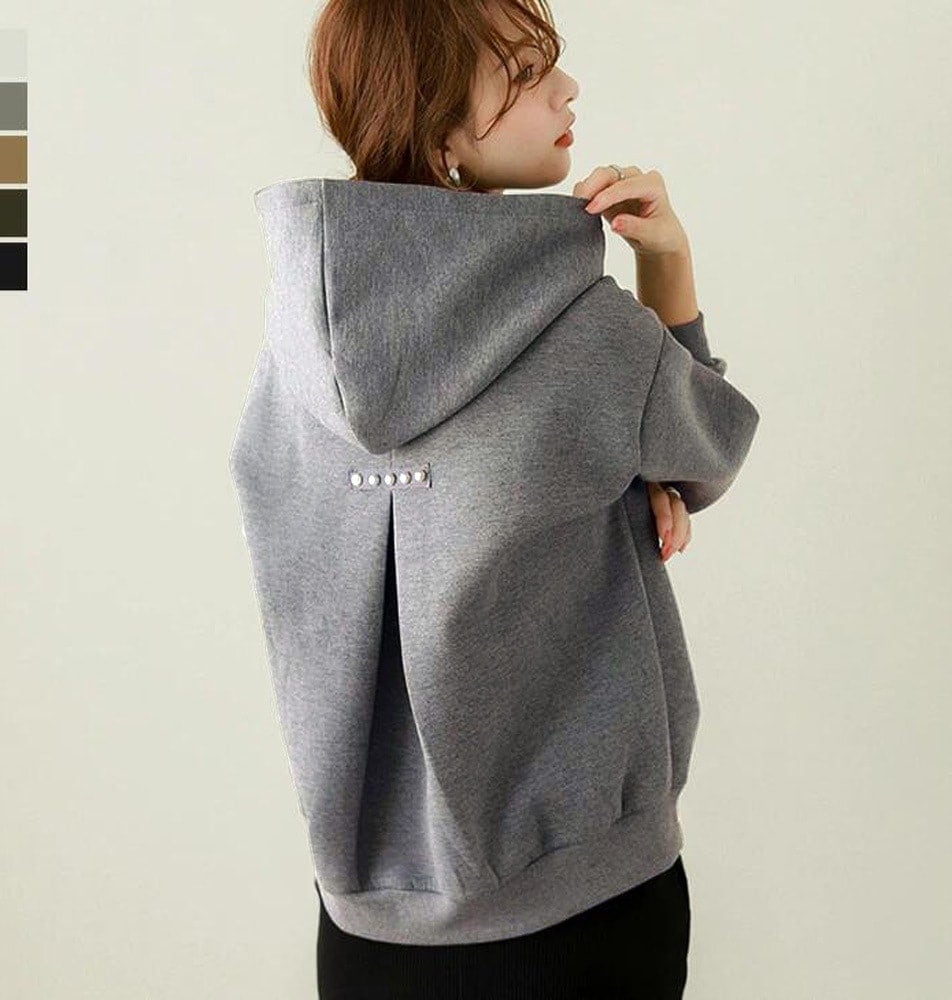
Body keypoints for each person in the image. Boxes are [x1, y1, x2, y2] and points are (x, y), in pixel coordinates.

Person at [229, 0, 760, 996]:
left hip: (365, 929)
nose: (567, 90)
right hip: (587, 912)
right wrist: (667, 263)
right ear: (438, 125)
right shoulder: (586, 329)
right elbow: (708, 452)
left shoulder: (294, 351)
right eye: (524, 70)